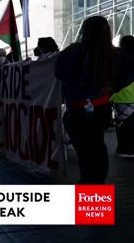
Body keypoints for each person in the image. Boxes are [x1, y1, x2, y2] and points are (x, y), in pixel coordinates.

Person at [55, 16, 122, 184]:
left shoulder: (72, 52)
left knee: (85, 152)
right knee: (97, 147)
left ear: (84, 31)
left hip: (77, 110)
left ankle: (90, 185)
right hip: (102, 109)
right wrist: (111, 89)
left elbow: (59, 73)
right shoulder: (115, 54)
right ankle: (97, 186)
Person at [110, 35, 134, 158]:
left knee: (123, 125)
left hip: (121, 97)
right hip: (130, 96)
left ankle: (124, 149)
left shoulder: (119, 59)